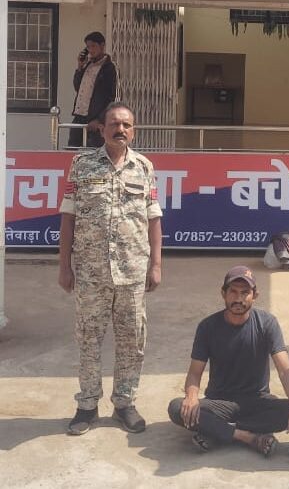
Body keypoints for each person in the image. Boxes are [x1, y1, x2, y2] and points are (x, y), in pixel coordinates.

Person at [58, 101, 163, 436]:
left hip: (132, 272)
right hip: (91, 273)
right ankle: (87, 406)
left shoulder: (144, 167)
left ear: (134, 130)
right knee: (89, 340)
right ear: (101, 128)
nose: (121, 130)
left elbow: (153, 218)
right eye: (115, 124)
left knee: (132, 341)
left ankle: (125, 403)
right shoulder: (82, 164)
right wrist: (64, 266)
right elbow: (68, 216)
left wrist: (156, 264)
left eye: (127, 125)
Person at [168, 265, 289, 457]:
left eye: (245, 292)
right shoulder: (207, 327)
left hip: (257, 401)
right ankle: (248, 437)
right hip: (219, 403)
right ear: (223, 294)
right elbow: (194, 373)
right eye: (233, 291)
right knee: (177, 408)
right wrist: (191, 397)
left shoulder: (267, 324)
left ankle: (217, 432)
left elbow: (284, 369)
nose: (238, 298)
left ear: (255, 295)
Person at [68, 31, 118, 148]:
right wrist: (79, 67)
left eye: (94, 46)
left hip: (95, 118)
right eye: (88, 47)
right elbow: (77, 87)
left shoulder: (109, 68)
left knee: (93, 150)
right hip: (80, 115)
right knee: (72, 148)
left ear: (102, 45)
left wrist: (100, 119)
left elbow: (112, 97)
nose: (91, 50)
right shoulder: (87, 65)